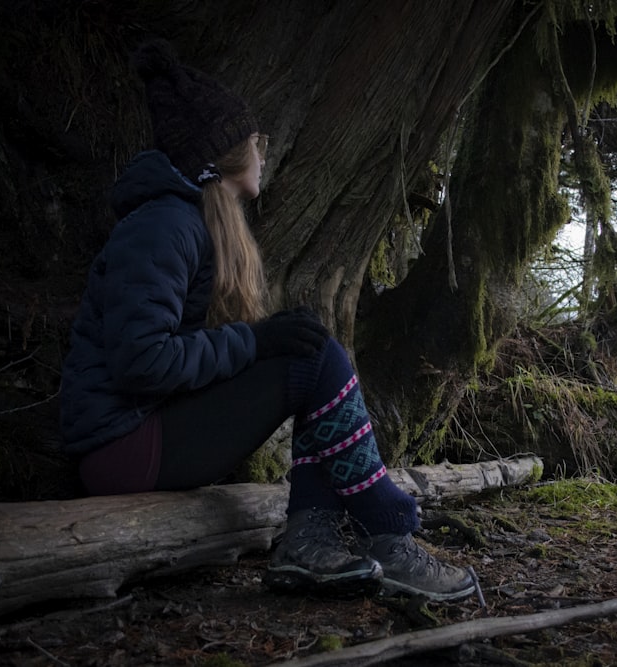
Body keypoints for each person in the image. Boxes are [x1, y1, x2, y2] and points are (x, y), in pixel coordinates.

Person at [59, 38, 475, 602]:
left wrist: (257, 342)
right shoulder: (163, 227)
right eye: (256, 142)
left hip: (141, 434)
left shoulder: (187, 223)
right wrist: (253, 342)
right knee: (311, 356)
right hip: (120, 449)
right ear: (224, 153)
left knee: (307, 349)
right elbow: (143, 362)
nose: (263, 153)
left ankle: (312, 538)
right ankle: (382, 526)